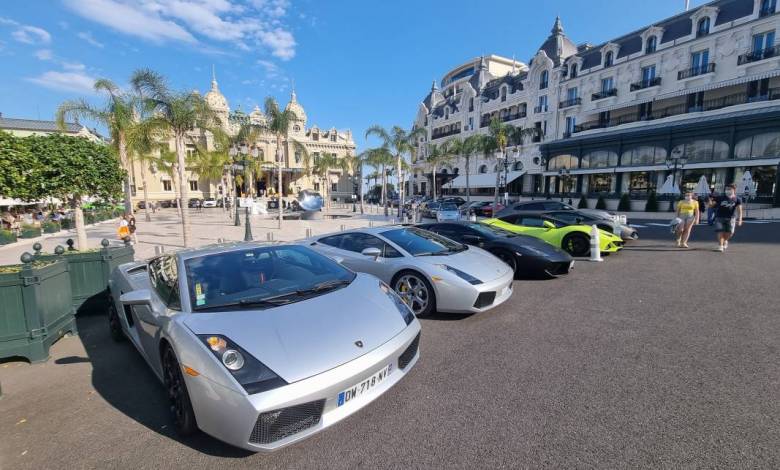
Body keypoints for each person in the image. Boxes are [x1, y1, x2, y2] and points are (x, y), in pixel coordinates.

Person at [711, 183, 743, 252]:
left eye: (729, 189)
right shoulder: (720, 197)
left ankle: (725, 241)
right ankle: (720, 246)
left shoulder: (737, 199)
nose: (727, 190)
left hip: (731, 218)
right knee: (720, 231)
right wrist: (709, 201)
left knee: (730, 232)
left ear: (734, 190)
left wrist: (740, 219)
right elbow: (711, 205)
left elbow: (739, 210)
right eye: (726, 189)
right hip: (719, 217)